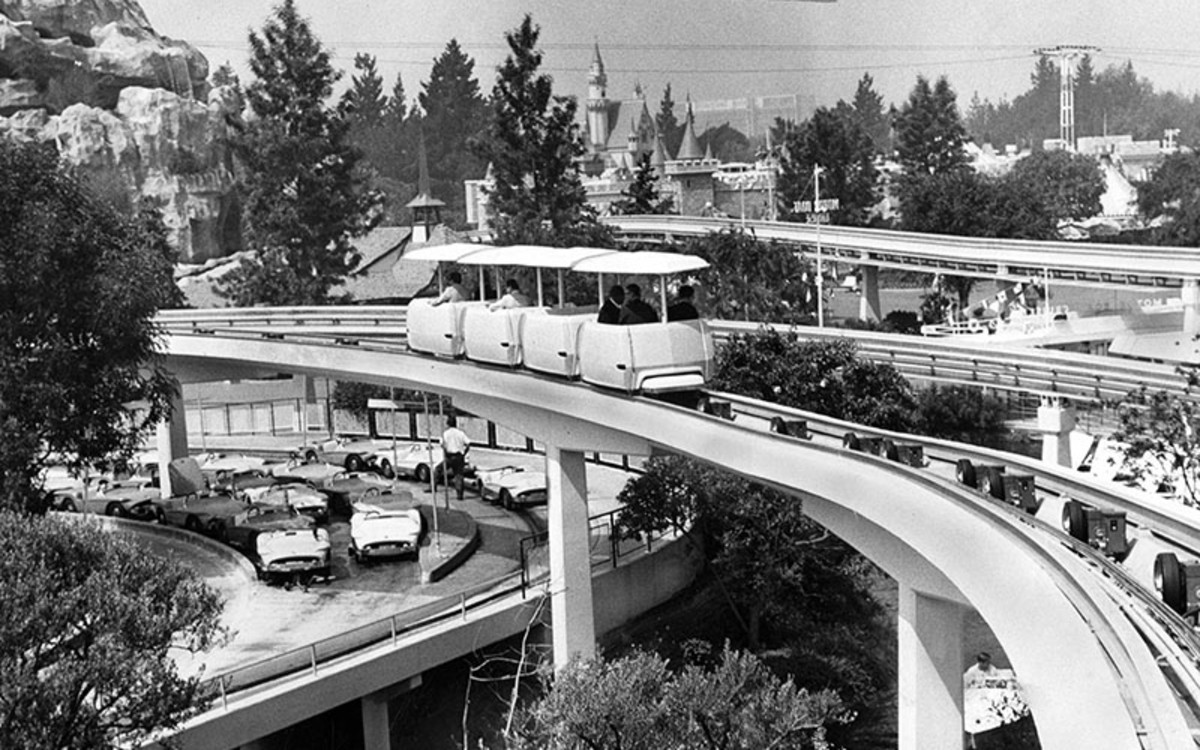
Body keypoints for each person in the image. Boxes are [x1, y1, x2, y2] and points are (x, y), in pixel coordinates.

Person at [440, 414, 470, 500]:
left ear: (448, 424)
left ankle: (432, 487)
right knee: (459, 475)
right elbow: (468, 444)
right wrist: (464, 453)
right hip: (459, 456)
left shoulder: (446, 433)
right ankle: (460, 494)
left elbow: (442, 444)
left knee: (437, 471)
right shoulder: (460, 433)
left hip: (449, 456)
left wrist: (446, 452)